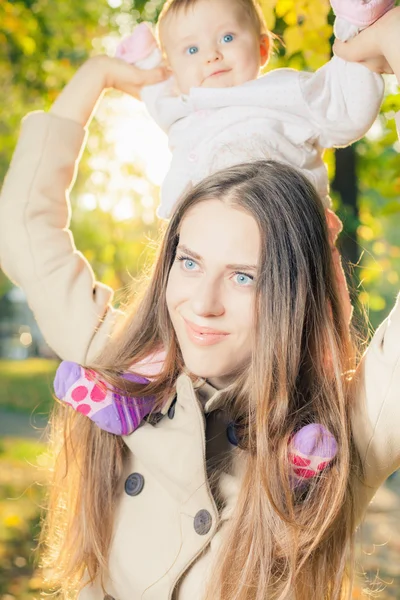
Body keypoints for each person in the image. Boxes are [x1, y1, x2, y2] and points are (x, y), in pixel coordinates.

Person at [0, 7, 400, 600]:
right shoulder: (119, 360)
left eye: (245, 276)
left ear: (295, 289)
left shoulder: (347, 427)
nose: (201, 305)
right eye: (189, 263)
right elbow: (23, 232)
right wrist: (97, 76)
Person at [114, 0, 392, 219]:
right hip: (210, 247)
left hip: (289, 233)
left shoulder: (283, 93)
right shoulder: (181, 111)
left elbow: (341, 105)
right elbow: (155, 93)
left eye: (226, 38)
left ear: (262, 48)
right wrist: (143, 61)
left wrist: (352, 27)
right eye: (191, 50)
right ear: (173, 71)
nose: (212, 55)